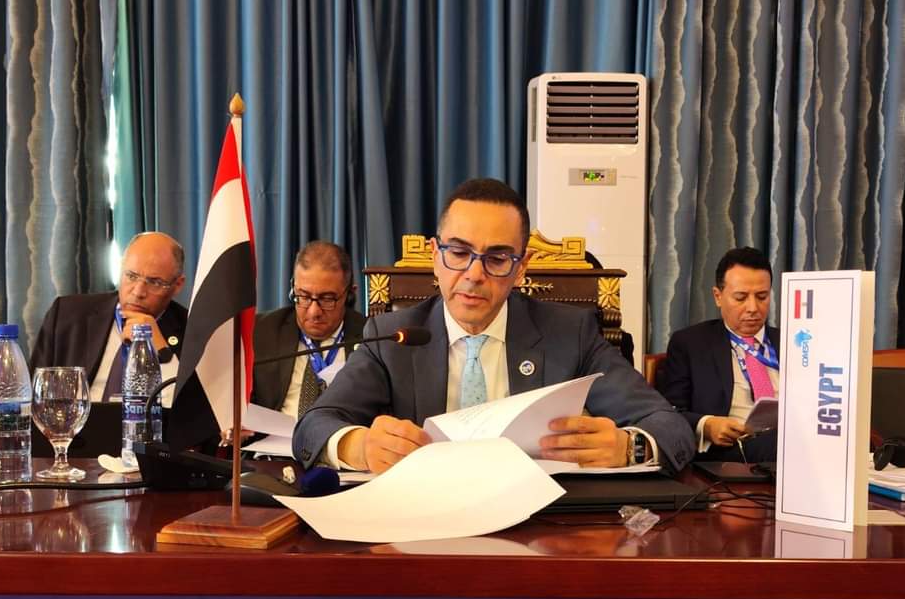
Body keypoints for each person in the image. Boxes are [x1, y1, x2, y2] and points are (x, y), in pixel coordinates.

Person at [292, 178, 695, 473]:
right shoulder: (392, 336)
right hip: (421, 518)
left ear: (522, 268)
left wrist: (629, 448)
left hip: (539, 525)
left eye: (497, 259)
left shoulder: (569, 333)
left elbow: (672, 427)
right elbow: (312, 426)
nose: (474, 274)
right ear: (434, 256)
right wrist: (358, 445)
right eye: (458, 252)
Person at [30, 231, 215, 448]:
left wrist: (162, 352)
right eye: (132, 276)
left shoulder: (196, 333)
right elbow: (35, 397)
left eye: (155, 282)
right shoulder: (68, 315)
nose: (138, 291)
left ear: (177, 285)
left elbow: (200, 422)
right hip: (73, 448)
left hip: (151, 451)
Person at [660, 246, 780, 462]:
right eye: (741, 298)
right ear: (718, 296)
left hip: (791, 441)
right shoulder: (690, 344)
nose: (753, 308)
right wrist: (707, 425)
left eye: (762, 297)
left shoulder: (793, 341)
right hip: (732, 451)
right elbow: (668, 412)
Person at [251, 241, 366, 418]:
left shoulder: (371, 338)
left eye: (327, 299)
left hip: (341, 434)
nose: (314, 312)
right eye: (303, 296)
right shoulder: (262, 331)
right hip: (273, 435)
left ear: (350, 294)